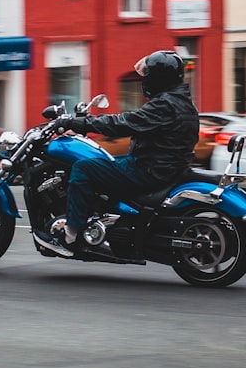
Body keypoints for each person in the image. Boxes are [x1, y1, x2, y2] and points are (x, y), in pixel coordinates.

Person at [32, 50, 200, 258]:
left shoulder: (165, 104)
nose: (145, 80)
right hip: (164, 166)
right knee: (102, 163)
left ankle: (70, 236)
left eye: (148, 75)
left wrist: (75, 123)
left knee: (83, 169)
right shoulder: (182, 101)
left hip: (149, 169)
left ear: (158, 77)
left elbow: (123, 123)